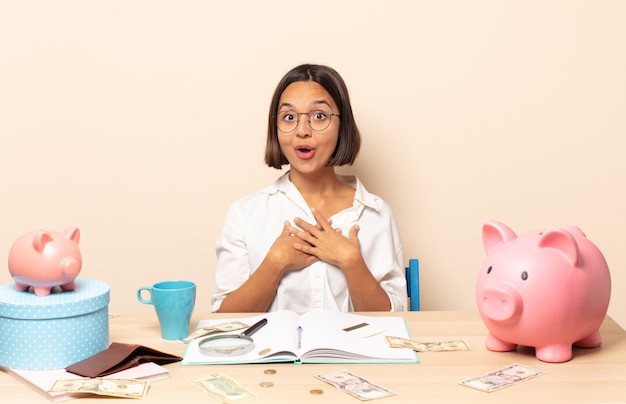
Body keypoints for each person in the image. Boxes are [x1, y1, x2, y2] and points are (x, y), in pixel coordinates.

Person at [211, 64, 406, 313]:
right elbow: (224, 320)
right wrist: (274, 263)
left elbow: (396, 323)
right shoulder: (245, 213)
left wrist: (351, 261)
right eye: (289, 118)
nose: (302, 131)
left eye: (319, 116)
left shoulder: (376, 214)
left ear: (342, 125)